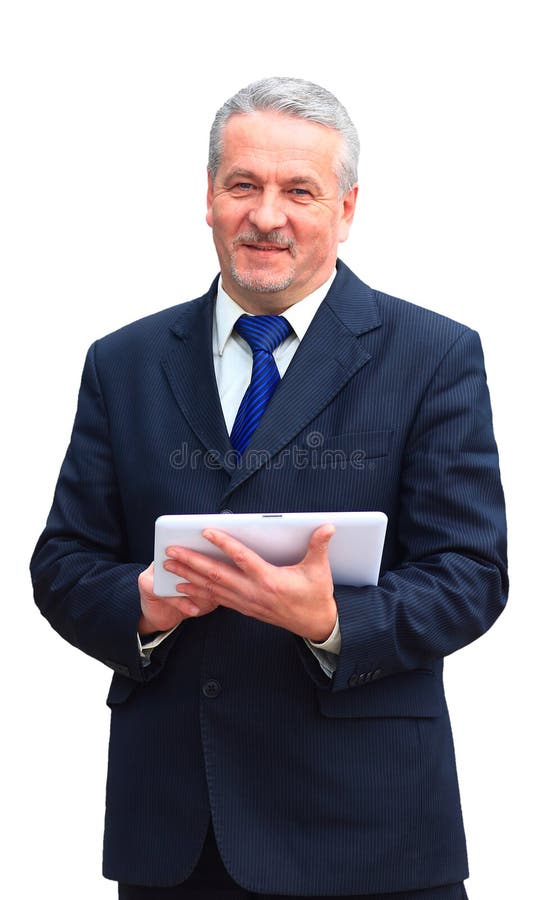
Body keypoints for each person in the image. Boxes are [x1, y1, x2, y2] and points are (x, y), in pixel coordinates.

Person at [30, 77, 508, 900]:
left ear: (347, 207)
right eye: (243, 185)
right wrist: (142, 605)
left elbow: (471, 573)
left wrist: (329, 621)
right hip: (179, 833)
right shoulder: (123, 362)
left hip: (369, 833)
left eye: (300, 190)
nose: (267, 215)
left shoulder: (433, 354)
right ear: (209, 198)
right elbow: (64, 560)